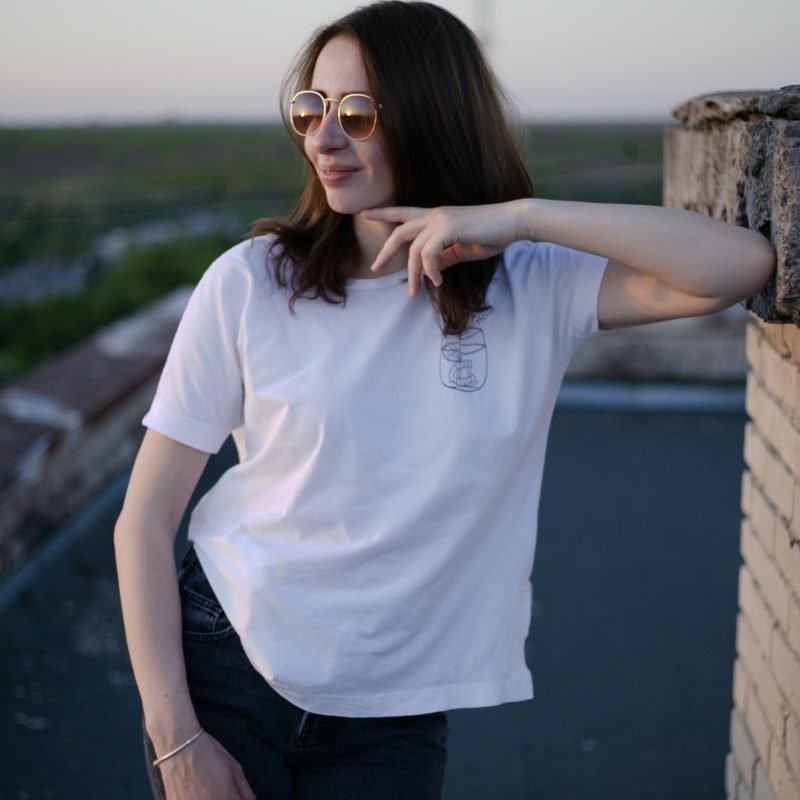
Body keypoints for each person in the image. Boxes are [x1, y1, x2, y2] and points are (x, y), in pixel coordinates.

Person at [113, 2, 775, 799]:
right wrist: (175, 736)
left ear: (432, 117)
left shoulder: (531, 284)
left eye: (357, 113)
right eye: (310, 109)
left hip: (395, 711)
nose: (324, 137)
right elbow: (145, 520)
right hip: (229, 663)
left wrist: (521, 217)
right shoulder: (253, 282)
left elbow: (740, 264)